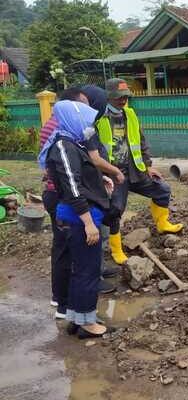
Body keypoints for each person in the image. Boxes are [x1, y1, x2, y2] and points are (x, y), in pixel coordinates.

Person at [40, 88, 122, 316]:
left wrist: (98, 178)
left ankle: (74, 310)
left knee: (80, 258)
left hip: (73, 200)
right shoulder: (63, 140)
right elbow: (71, 182)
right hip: (70, 202)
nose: (89, 114)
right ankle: (70, 307)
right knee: (76, 258)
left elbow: (79, 170)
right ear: (72, 109)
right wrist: (87, 221)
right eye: (83, 108)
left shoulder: (71, 136)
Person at [95, 78, 183, 265]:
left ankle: (162, 224)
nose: (123, 100)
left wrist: (148, 165)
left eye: (126, 96)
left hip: (135, 169)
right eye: (119, 97)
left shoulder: (130, 114)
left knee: (162, 189)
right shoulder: (99, 118)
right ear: (109, 97)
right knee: (115, 209)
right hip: (113, 173)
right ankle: (116, 249)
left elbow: (141, 142)